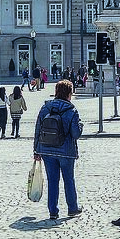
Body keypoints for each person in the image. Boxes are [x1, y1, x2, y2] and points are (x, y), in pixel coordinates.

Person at [34, 80, 84, 220]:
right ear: (69, 93)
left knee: (52, 180)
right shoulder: (72, 110)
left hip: (46, 150)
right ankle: (72, 208)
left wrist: (36, 151)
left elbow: (38, 129)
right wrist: (80, 125)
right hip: (66, 151)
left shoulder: (46, 108)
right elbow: (75, 134)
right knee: (69, 179)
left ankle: (53, 211)